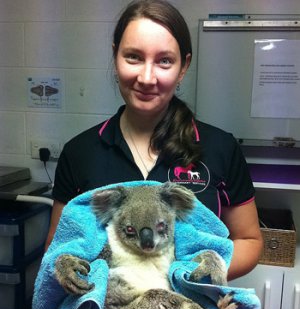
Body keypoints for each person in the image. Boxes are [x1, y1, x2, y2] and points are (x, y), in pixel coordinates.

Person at [45, 0, 263, 281]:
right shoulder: (80, 153)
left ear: (183, 67)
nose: (147, 78)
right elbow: (59, 247)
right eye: (133, 57)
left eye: (164, 61)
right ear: (115, 57)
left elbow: (250, 241)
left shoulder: (220, 148)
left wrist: (186, 276)